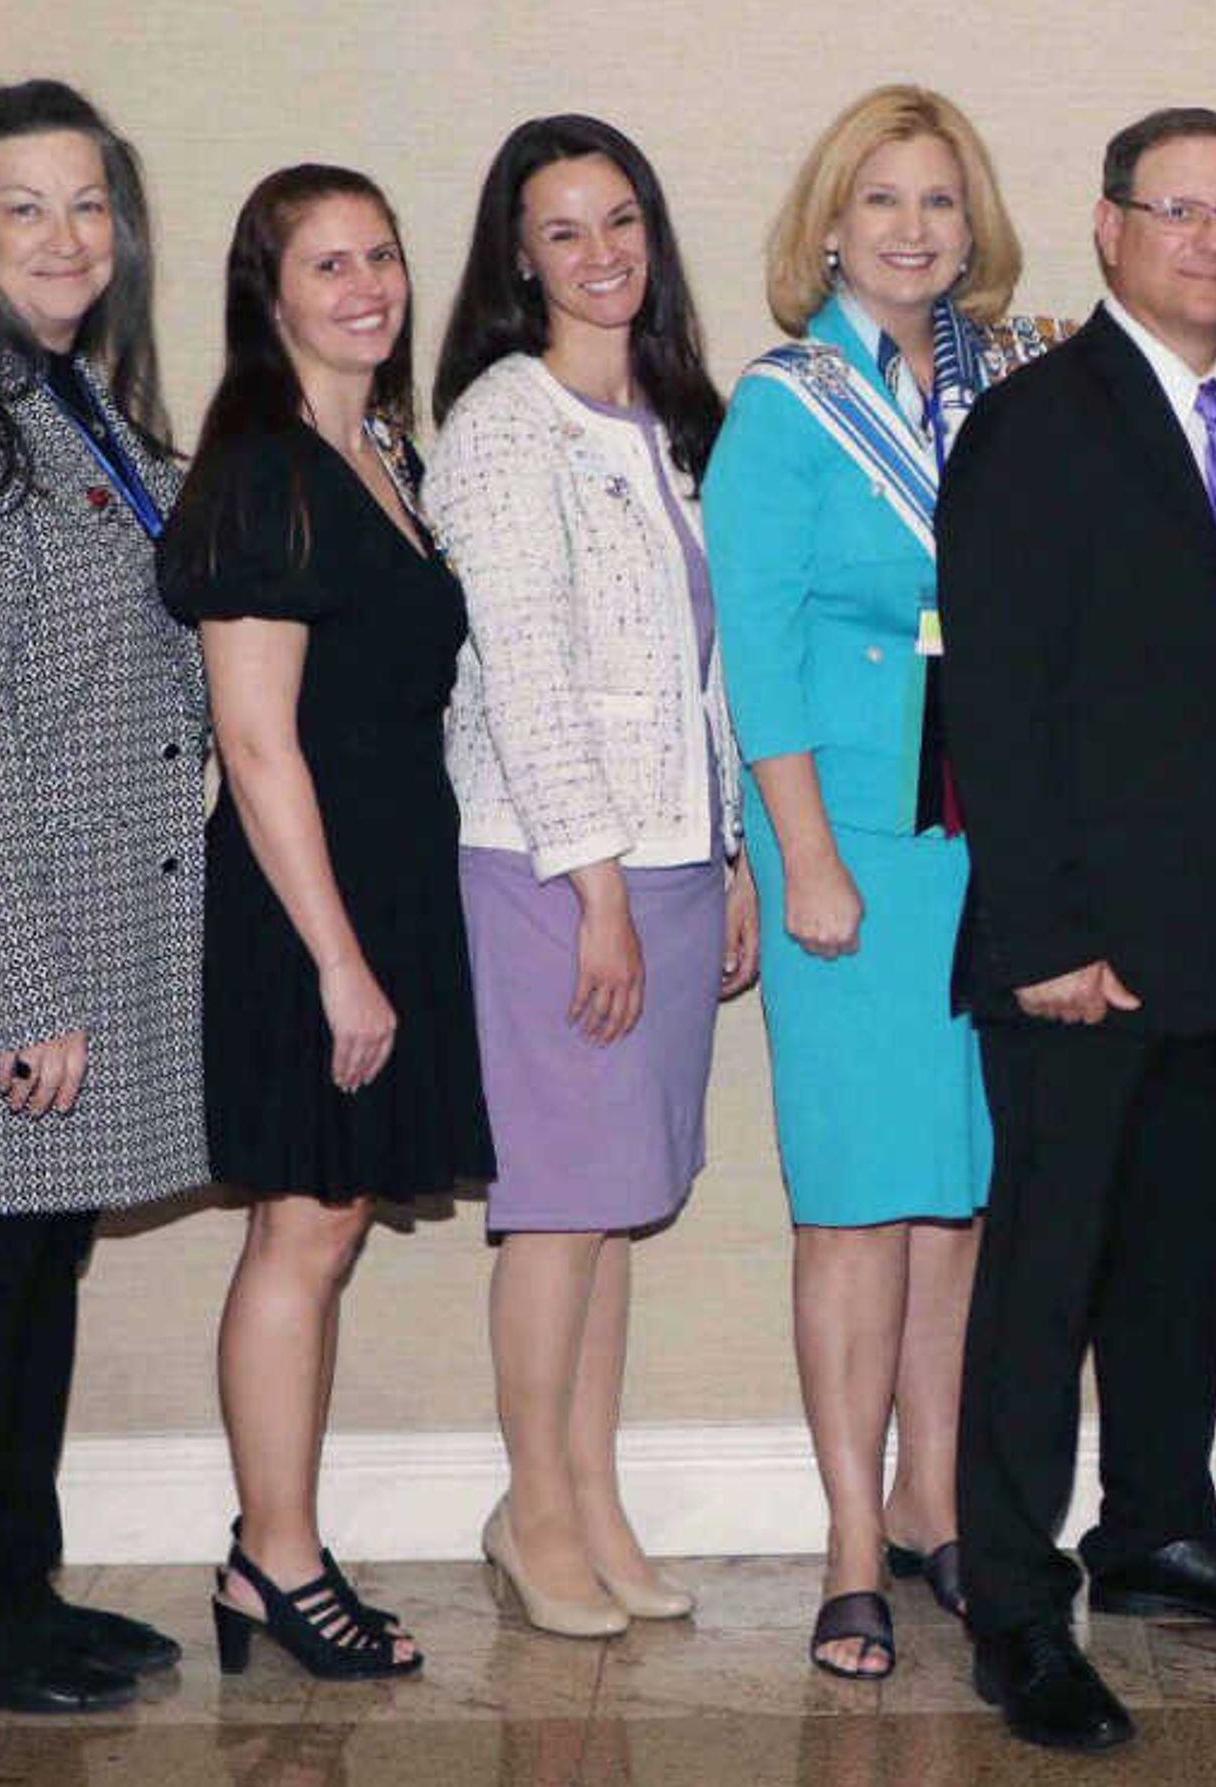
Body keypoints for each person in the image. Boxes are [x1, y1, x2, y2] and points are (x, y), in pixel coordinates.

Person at [936, 106, 1216, 1754]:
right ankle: (1019, 1613)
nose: (1212, 243)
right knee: (1043, 1291)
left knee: (1180, 1266)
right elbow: (997, 702)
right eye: (1180, 211)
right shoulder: (1037, 423)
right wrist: (1039, 930)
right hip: (1078, 952)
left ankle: (1158, 1526)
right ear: (1108, 230)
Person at [705, 83, 1066, 1681]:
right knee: (857, 1209)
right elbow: (757, 657)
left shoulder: (1017, 382)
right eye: (884, 202)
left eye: (941, 201)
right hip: (848, 847)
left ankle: (940, 1512)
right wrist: (804, 861)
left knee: (962, 1199)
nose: (915, 228)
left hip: (992, 849)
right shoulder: (782, 408)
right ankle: (852, 1541)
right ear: (830, 225)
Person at [0, 77, 205, 1714]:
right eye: (28, 207)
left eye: (91, 205)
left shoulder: (86, 411)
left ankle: (19, 1588)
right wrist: (22, 986)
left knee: (36, 1270)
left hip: (107, 922)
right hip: (23, 938)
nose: (67, 237)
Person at [158, 164, 493, 1682]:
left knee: (333, 1220)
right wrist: (341, 960)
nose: (364, 285)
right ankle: (273, 1560)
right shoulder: (265, 471)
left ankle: (269, 1555)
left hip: (390, 871)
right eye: (326, 265)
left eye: (382, 255)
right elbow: (255, 739)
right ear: (269, 295)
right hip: (311, 896)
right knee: (304, 1225)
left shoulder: (378, 456)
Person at [425, 114, 752, 1647]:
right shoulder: (505, 421)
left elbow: (712, 665)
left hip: (681, 858)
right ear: (519, 256)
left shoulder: (673, 419)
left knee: (620, 1206)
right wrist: (601, 891)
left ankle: (592, 1496)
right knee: (558, 1211)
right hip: (559, 869)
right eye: (564, 230)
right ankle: (529, 1508)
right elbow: (530, 671)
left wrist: (737, 852)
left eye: (621, 219)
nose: (601, 253)